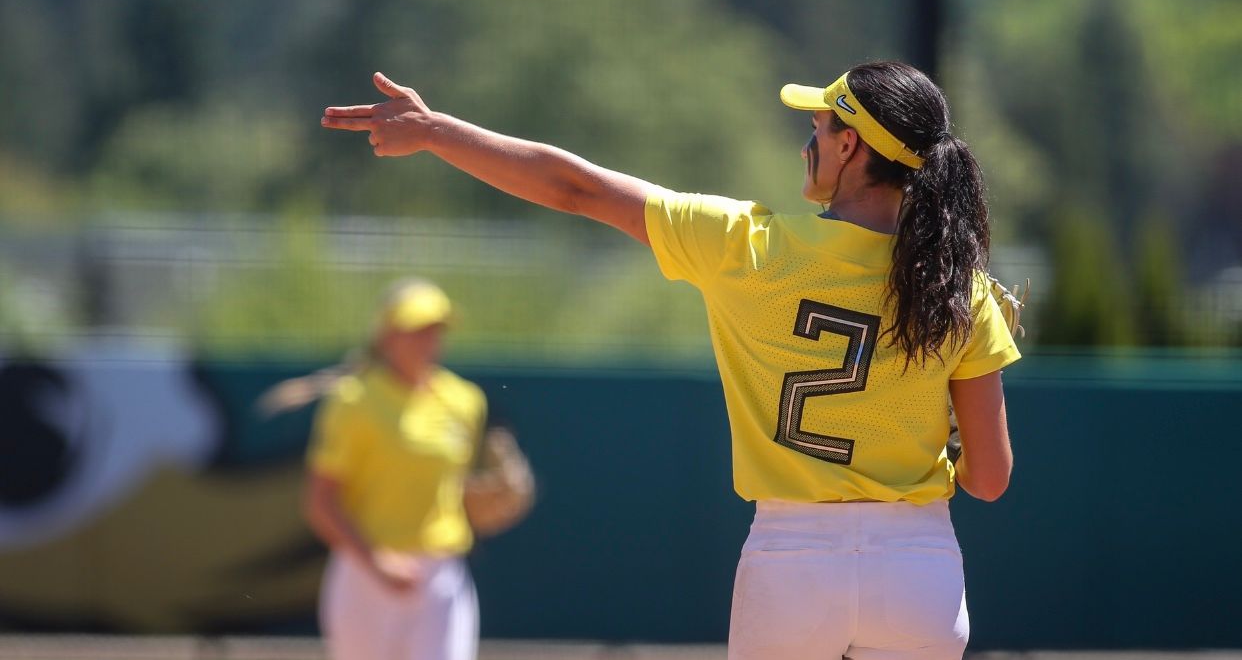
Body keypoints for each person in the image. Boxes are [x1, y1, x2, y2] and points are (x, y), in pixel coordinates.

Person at [322, 61, 1020, 660]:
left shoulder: (745, 247)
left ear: (850, 147)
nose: (808, 141)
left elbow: (577, 187)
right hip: (918, 564)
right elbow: (989, 480)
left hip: (792, 558)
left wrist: (435, 130)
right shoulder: (960, 288)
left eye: (818, 128)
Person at [271, 279, 487, 660]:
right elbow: (321, 502)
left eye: (436, 328)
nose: (429, 338)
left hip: (439, 575)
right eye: (416, 329)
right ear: (387, 336)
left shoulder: (464, 401)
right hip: (364, 574)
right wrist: (376, 563)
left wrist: (481, 504)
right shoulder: (355, 401)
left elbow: (450, 489)